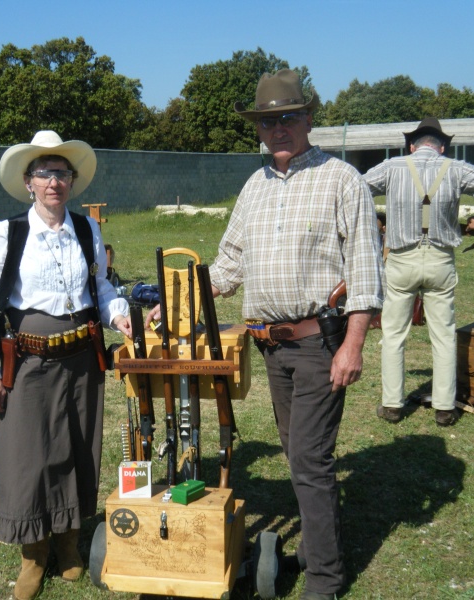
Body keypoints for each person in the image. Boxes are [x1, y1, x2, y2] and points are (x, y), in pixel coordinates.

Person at [148, 70, 384, 600]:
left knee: (307, 456)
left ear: (307, 119)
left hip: (319, 341)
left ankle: (325, 577)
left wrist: (353, 344)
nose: (277, 129)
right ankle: (317, 548)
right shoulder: (254, 186)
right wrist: (178, 300)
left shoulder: (342, 180)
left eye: (288, 118)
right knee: (298, 451)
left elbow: (366, 270)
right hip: (271, 346)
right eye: (267, 121)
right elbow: (228, 265)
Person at [0, 131, 131, 600]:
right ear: (28, 182)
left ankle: (68, 543)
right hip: (29, 363)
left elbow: (99, 286)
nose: (53, 182)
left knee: (80, 447)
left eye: (60, 173)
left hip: (83, 357)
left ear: (71, 180)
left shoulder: (86, 229)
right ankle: (33, 554)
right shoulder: (10, 232)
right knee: (28, 456)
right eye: (43, 173)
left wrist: (118, 311)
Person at [363, 117, 474, 426]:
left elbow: (356, 189)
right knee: (443, 336)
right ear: (441, 146)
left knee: (393, 336)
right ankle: (444, 408)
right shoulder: (456, 168)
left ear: (412, 145)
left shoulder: (392, 167)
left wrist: (373, 220)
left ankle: (392, 405)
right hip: (441, 260)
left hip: (401, 260)